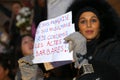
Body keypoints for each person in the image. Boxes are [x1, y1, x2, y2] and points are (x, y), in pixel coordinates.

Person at [65, 0, 120, 80]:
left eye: (93, 20)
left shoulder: (114, 48)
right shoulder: (68, 52)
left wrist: (82, 59)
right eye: (83, 21)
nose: (88, 25)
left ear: (100, 26)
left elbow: (114, 74)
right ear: (77, 28)